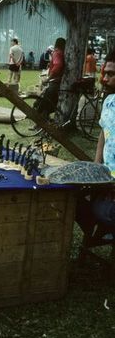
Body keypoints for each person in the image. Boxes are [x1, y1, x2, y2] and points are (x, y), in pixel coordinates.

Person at [76, 49, 115, 235]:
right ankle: (98, 228)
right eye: (104, 73)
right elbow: (103, 133)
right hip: (106, 181)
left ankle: (104, 227)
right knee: (68, 197)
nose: (104, 79)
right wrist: (96, 167)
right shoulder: (109, 102)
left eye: (111, 74)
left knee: (102, 211)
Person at [34, 37, 66, 120]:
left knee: (45, 103)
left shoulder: (56, 53)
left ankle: (40, 123)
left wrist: (49, 78)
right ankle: (44, 121)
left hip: (55, 81)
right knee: (49, 103)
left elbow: (58, 65)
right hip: (59, 81)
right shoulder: (62, 53)